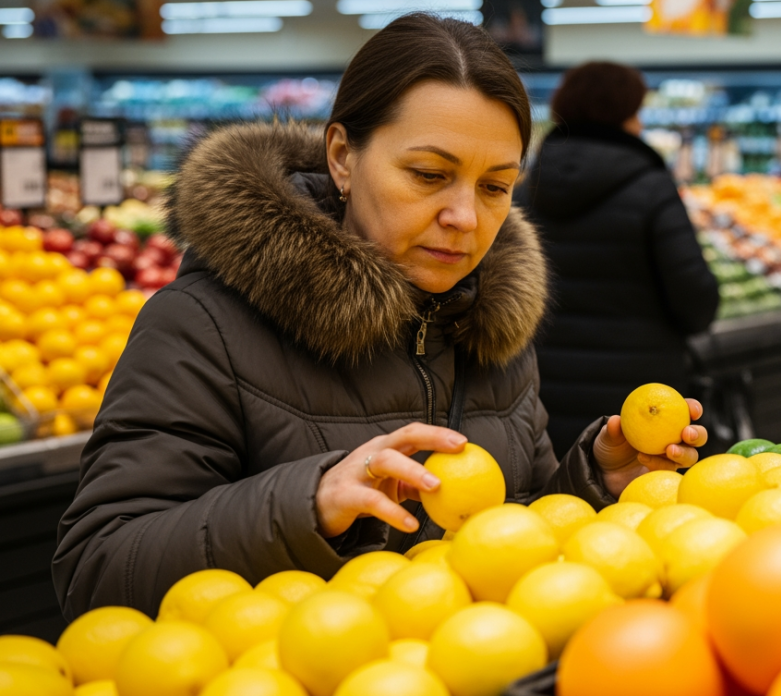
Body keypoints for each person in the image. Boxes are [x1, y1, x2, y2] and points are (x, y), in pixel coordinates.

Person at [52, 16, 707, 620]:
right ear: (342, 156)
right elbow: (97, 570)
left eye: (495, 186)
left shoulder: (491, 324)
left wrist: (592, 482)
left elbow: (508, 532)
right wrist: (309, 504)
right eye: (427, 175)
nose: (465, 218)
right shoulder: (202, 326)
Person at [516, 62, 718, 456]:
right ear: (624, 117)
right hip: (638, 408)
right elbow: (697, 303)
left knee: (557, 506)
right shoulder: (651, 190)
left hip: (542, 395)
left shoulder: (522, 189)